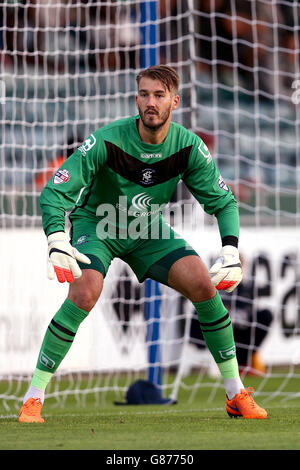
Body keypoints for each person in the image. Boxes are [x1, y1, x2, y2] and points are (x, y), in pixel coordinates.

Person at [18, 65, 267, 422]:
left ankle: (234, 394)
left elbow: (223, 201)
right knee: (86, 291)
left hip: (148, 229)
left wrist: (230, 249)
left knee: (203, 284)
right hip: (99, 226)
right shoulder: (106, 140)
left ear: (174, 101)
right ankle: (33, 397)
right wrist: (57, 238)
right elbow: (56, 191)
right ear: (136, 98)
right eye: (145, 94)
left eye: (159, 95)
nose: (151, 102)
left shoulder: (188, 146)